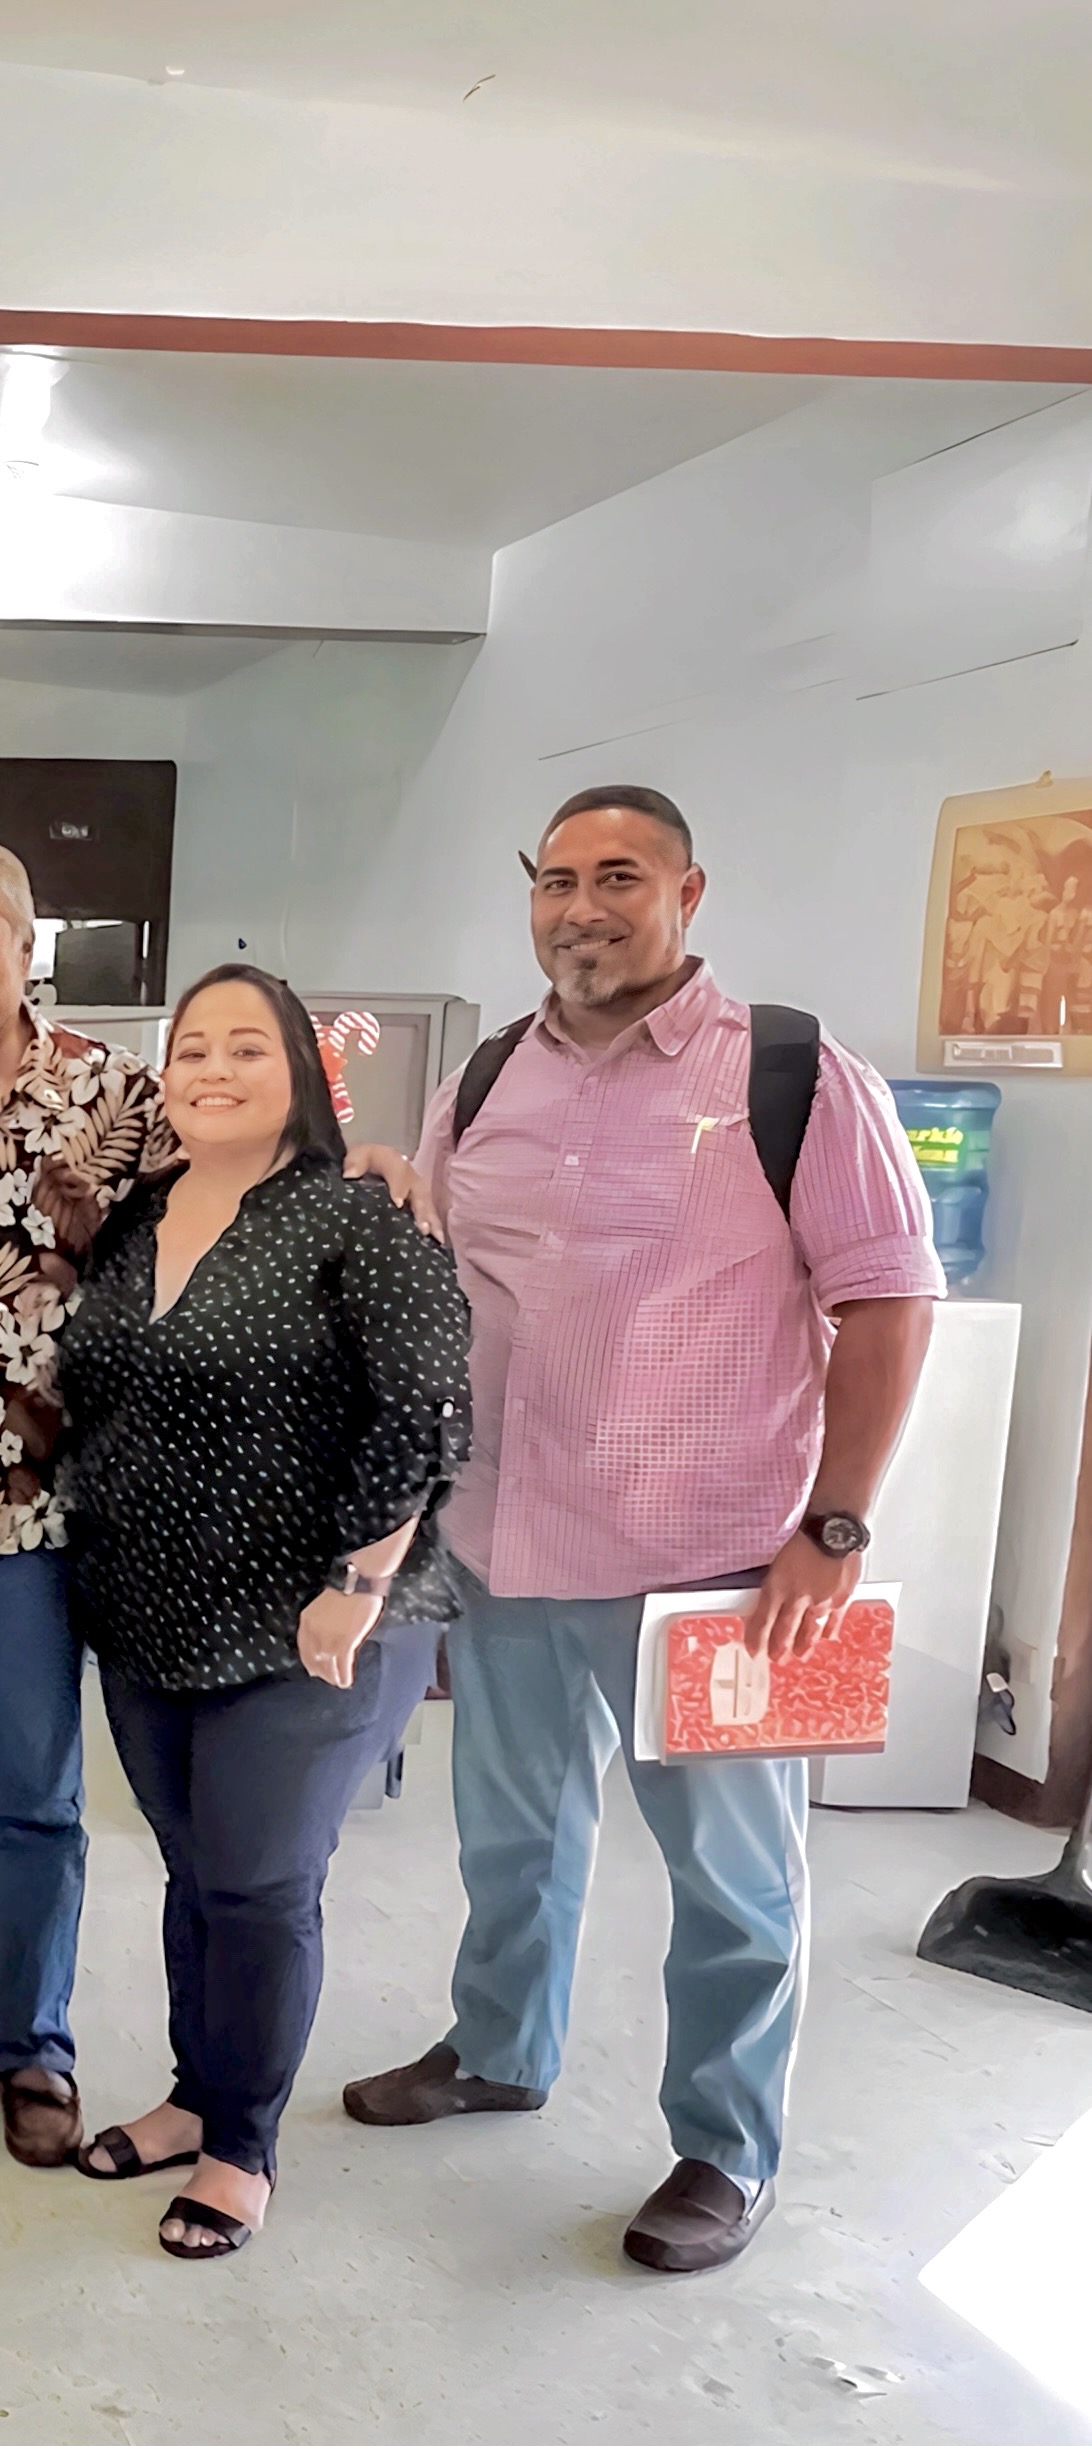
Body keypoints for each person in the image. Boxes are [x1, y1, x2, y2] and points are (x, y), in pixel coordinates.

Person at [345, 785, 941, 2275]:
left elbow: (886, 1298)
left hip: (725, 1567)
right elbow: (435, 1277)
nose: (582, 908)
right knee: (512, 1836)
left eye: (621, 877)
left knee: (738, 1881)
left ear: (689, 892)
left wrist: (840, 1521)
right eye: (556, 880)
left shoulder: (794, 1073)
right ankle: (497, 2046)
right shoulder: (486, 1077)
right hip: (508, 1541)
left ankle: (727, 2148)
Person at [0, 844, 429, 2168]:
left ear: (27, 952)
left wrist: (369, 1159)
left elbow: (244, 1156)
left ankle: (31, 2049)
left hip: (36, 1523)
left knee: (31, 1800)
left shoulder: (113, 1097)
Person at [58, 965, 470, 2261]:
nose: (214, 1068)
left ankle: (243, 2143)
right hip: (150, 1610)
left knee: (260, 1881)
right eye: (191, 1048)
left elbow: (424, 1407)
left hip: (313, 1621)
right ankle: (194, 2092)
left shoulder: (359, 1215)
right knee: (197, 1871)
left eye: (246, 1045)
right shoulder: (139, 1218)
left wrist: (356, 1581)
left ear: (300, 1067)